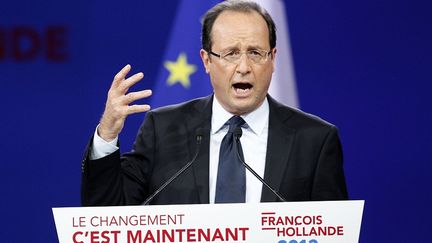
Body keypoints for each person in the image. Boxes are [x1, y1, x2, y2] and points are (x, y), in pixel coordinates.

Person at [81, 0, 348, 206]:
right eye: (231, 54)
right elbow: (109, 215)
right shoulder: (163, 130)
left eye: (255, 53)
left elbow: (334, 232)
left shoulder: (315, 140)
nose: (244, 67)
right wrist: (107, 134)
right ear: (207, 61)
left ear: (273, 58)